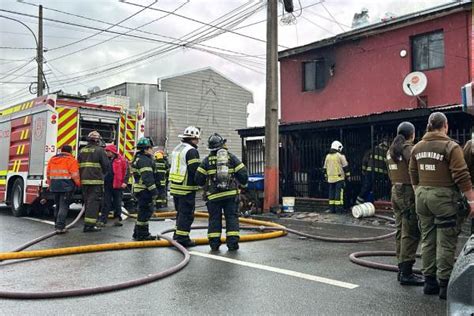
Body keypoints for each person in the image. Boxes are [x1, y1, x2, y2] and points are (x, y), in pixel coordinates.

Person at [409, 112, 474, 300]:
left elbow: (413, 173)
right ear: (445, 125)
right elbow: (461, 175)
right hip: (444, 198)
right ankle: (444, 285)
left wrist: (419, 192)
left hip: (422, 196)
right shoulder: (450, 146)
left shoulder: (417, 147)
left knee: (428, 239)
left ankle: (429, 282)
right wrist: (471, 200)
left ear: (429, 126)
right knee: (446, 241)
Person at [195, 133, 248, 251]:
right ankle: (232, 244)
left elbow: (198, 179)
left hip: (213, 196)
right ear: (222, 145)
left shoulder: (206, 161)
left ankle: (214, 244)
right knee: (232, 218)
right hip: (230, 195)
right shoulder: (231, 157)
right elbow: (243, 173)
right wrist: (243, 183)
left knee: (214, 219)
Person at [386, 122, 423, 286]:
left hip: (395, 190)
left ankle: (402, 268)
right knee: (411, 230)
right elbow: (417, 169)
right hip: (408, 191)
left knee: (401, 229)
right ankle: (407, 272)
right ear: (412, 134)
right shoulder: (409, 148)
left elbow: (389, 172)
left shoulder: (391, 150)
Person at [169, 126, 201, 247]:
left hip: (175, 187)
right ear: (193, 139)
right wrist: (202, 182)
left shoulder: (177, 148)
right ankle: (183, 238)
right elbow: (195, 170)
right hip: (186, 188)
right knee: (187, 214)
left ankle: (177, 235)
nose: (197, 141)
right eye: (197, 139)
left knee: (180, 213)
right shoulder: (192, 151)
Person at [78, 131, 110, 232]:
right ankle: (89, 226)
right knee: (94, 203)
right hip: (95, 182)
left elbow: (78, 165)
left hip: (84, 181)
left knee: (87, 202)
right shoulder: (100, 150)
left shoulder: (82, 150)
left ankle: (88, 224)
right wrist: (103, 175)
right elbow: (106, 166)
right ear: (97, 140)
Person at [46, 145, 81, 234]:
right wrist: (79, 184)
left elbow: (48, 174)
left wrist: (50, 185)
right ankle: (60, 227)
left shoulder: (52, 159)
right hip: (66, 186)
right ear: (70, 152)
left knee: (57, 205)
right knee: (63, 206)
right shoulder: (71, 160)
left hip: (54, 186)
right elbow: (75, 175)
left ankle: (56, 225)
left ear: (61, 151)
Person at [131, 137, 159, 241]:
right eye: (151, 148)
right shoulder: (145, 160)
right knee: (145, 212)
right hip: (144, 191)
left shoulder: (138, 158)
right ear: (146, 149)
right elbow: (147, 178)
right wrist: (154, 191)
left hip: (140, 190)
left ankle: (137, 232)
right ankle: (143, 234)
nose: (153, 150)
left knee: (142, 212)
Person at [98, 144, 129, 227]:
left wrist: (125, 182)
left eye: (108, 151)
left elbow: (126, 171)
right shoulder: (105, 160)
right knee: (106, 202)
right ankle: (103, 220)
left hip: (118, 184)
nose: (106, 153)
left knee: (117, 203)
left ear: (112, 152)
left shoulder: (122, 160)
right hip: (107, 184)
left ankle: (117, 219)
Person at [356, 140, 389, 204]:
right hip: (382, 174)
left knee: (367, 187)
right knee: (380, 188)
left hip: (370, 171)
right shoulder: (387, 152)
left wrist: (364, 170)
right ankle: (377, 201)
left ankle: (359, 202)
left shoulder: (372, 149)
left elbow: (365, 160)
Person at [323, 140, 350, 214]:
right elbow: (345, 167)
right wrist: (348, 175)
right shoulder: (340, 156)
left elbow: (325, 168)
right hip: (339, 178)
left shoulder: (327, 156)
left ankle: (332, 209)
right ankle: (339, 209)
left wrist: (326, 176)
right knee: (339, 195)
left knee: (331, 194)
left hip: (330, 179)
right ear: (338, 147)